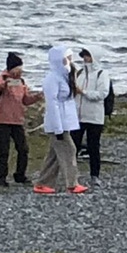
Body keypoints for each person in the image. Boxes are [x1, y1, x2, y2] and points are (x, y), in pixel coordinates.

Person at [36, 44, 87, 195]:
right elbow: (52, 105)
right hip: (57, 123)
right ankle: (72, 183)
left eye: (70, 59)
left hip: (65, 121)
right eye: (67, 59)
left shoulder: (65, 77)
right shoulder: (52, 79)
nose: (70, 62)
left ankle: (43, 183)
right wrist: (58, 128)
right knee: (69, 150)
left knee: (54, 156)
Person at [0, 52, 42, 187]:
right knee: (4, 150)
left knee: (23, 149)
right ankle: (1, 177)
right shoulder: (2, 78)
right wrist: (4, 82)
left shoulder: (22, 82)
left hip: (17, 120)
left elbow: (25, 100)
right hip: (2, 120)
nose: (20, 71)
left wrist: (37, 97)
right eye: (18, 68)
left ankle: (20, 175)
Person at [73, 48, 113, 184]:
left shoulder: (102, 74)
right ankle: (72, 175)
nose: (85, 58)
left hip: (95, 116)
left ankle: (94, 175)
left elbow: (102, 93)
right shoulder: (80, 73)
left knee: (93, 146)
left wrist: (83, 92)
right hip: (78, 116)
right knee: (74, 145)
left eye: (88, 55)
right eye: (84, 55)